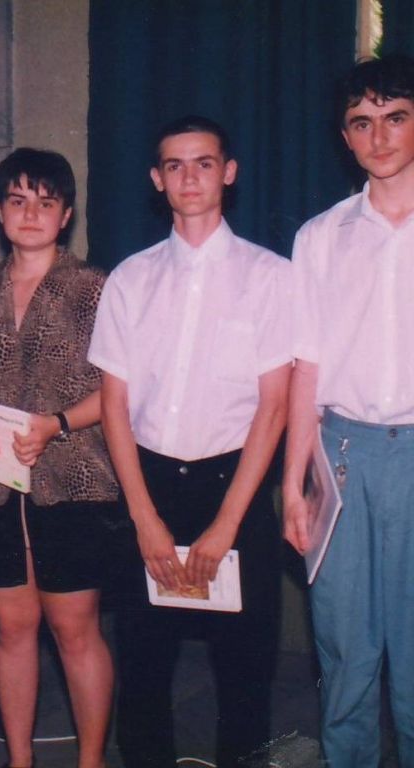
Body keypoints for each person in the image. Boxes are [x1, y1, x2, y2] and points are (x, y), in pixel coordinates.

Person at [89, 116, 291, 768]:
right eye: (174, 165)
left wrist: (227, 523)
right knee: (143, 665)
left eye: (204, 163)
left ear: (228, 172)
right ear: (157, 179)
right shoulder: (130, 279)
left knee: (245, 668)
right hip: (147, 484)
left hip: (235, 485)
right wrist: (144, 517)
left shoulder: (270, 276)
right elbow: (114, 405)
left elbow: (274, 407)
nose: (189, 177)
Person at [0, 148, 118, 768]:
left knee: (75, 632)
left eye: (45, 203)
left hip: (74, 481)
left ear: (66, 214)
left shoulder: (98, 289)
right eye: (17, 201)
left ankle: (90, 761)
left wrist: (58, 424)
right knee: (12, 629)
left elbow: (121, 390)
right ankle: (19, 760)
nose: (30, 214)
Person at [283, 54, 414, 767]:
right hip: (341, 457)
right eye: (362, 123)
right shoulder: (320, 237)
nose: (380, 136)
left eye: (396, 117)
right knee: (345, 653)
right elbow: (306, 369)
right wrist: (293, 485)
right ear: (345, 136)